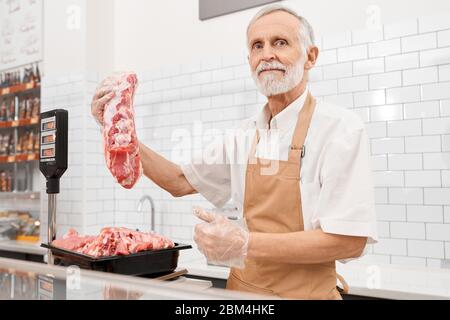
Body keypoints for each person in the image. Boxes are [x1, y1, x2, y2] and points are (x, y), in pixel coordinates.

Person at [91, 4, 378, 299]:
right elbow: (178, 180)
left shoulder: (340, 129)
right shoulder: (244, 134)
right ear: (249, 59)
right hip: (241, 297)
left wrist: (245, 244)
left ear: (310, 57)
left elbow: (349, 241)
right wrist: (116, 130)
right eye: (257, 46)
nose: (267, 54)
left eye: (280, 42)